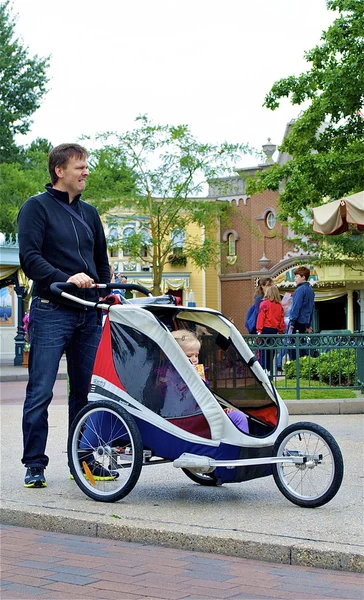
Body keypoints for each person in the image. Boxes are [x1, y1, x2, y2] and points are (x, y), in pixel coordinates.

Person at [17, 143, 114, 489]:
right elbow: (29, 257)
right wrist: (64, 278)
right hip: (51, 310)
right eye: (80, 167)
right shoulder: (36, 208)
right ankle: (34, 464)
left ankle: (81, 461)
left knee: (85, 392)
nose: (86, 172)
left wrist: (107, 292)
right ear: (60, 171)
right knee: (40, 390)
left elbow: (101, 260)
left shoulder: (89, 214)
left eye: (87, 166)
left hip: (88, 313)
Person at [172, 330, 249, 433]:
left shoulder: (198, 373)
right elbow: (183, 403)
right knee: (238, 418)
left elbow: (207, 399)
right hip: (189, 422)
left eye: (196, 355)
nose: (194, 360)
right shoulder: (170, 377)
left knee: (238, 416)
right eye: (189, 356)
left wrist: (220, 411)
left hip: (205, 416)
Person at [256, 285, 285, 375]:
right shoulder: (279, 306)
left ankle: (264, 370)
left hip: (265, 329)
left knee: (263, 351)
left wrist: (259, 330)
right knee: (271, 352)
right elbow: (281, 320)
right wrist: (280, 331)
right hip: (274, 330)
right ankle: (269, 370)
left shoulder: (264, 304)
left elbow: (261, 317)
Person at [288, 266, 315, 358]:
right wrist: (308, 324)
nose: (295, 278)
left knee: (292, 347)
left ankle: (295, 368)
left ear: (303, 277)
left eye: (296, 276)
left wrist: (292, 321)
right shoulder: (310, 290)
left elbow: (296, 307)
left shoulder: (300, 290)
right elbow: (311, 308)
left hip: (297, 322)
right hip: (305, 322)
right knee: (301, 346)